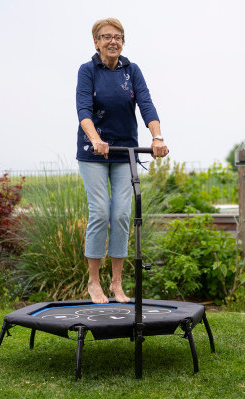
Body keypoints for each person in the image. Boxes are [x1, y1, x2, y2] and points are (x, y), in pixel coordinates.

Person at [76, 18, 168, 304]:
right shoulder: (88, 70)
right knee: (101, 212)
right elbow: (83, 111)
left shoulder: (132, 70)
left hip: (124, 151)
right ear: (96, 42)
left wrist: (157, 138)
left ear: (123, 42)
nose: (112, 41)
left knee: (121, 215)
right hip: (94, 152)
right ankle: (93, 282)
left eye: (118, 37)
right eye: (106, 37)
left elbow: (146, 104)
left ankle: (117, 283)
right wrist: (95, 140)